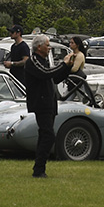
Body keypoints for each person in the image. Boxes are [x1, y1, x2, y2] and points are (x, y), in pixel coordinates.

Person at [25, 33, 75, 177]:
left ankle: (39, 168)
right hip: (41, 103)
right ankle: (39, 169)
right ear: (39, 47)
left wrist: (67, 67)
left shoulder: (44, 60)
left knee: (44, 135)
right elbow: (45, 73)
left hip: (49, 102)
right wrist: (63, 64)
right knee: (48, 135)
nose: (49, 48)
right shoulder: (33, 61)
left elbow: (55, 78)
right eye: (47, 45)